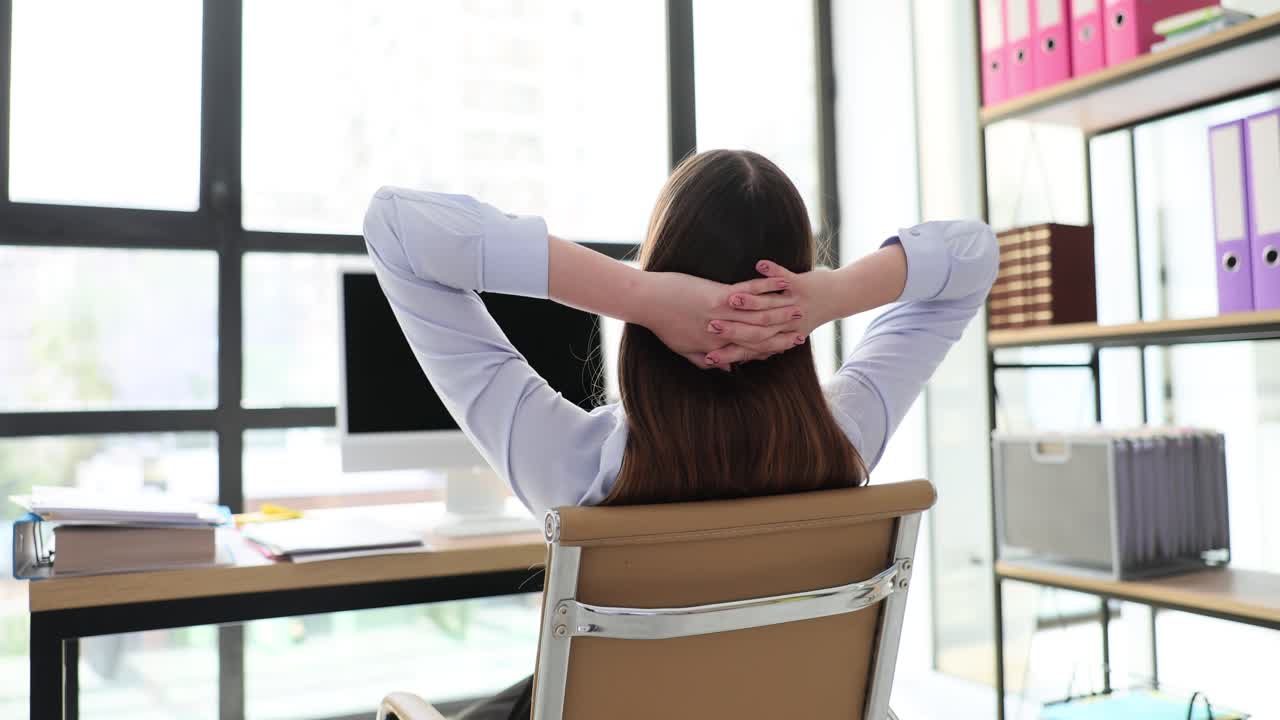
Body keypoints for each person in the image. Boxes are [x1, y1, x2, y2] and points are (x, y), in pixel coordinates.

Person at [362, 149, 998, 718]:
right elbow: (973, 252)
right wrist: (831, 295)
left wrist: (637, 295)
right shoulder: (847, 432)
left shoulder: (576, 467)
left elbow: (396, 227)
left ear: (660, 265)